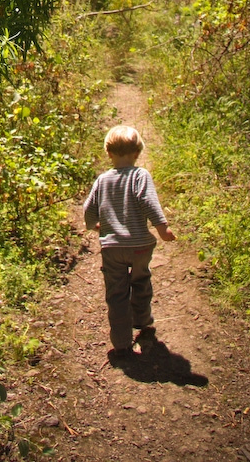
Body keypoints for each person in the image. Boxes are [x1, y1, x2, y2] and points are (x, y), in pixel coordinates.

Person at [83, 124, 176, 356]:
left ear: (108, 153)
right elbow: (148, 201)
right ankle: (142, 322)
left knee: (116, 293)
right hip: (139, 246)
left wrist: (93, 225)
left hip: (112, 248)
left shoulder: (102, 180)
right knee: (141, 281)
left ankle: (122, 342)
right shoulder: (140, 175)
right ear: (137, 153)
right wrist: (162, 228)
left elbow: (89, 208)